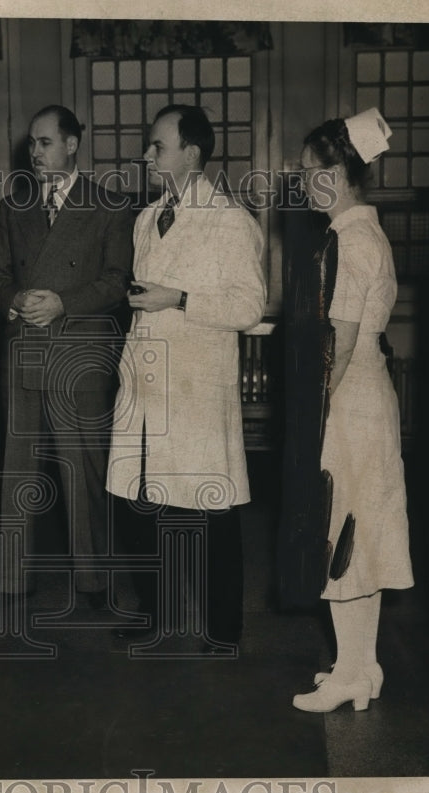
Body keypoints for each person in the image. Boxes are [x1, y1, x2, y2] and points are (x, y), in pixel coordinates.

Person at [106, 105, 267, 649]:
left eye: (158, 147)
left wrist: (178, 298)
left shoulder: (231, 220)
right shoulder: (147, 219)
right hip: (145, 382)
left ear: (192, 154)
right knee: (140, 502)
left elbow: (248, 306)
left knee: (208, 508)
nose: (147, 156)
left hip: (197, 386)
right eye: (149, 146)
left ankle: (224, 629)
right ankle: (158, 615)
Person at [0, 105, 134, 606]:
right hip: (24, 350)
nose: (35, 152)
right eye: (32, 143)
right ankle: (11, 579)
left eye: (45, 142)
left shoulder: (109, 205)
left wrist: (64, 303)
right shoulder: (14, 205)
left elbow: (117, 282)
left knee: (82, 473)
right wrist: (14, 300)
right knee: (16, 471)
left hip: (79, 357)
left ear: (72, 145)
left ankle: (92, 579)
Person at [289, 108, 414, 712]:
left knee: (340, 536)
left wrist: (312, 419)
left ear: (337, 173)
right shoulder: (370, 234)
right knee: (357, 540)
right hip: (369, 397)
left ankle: (352, 678)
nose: (302, 180)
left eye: (310, 170)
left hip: (347, 403)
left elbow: (334, 346)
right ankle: (359, 670)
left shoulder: (347, 242)